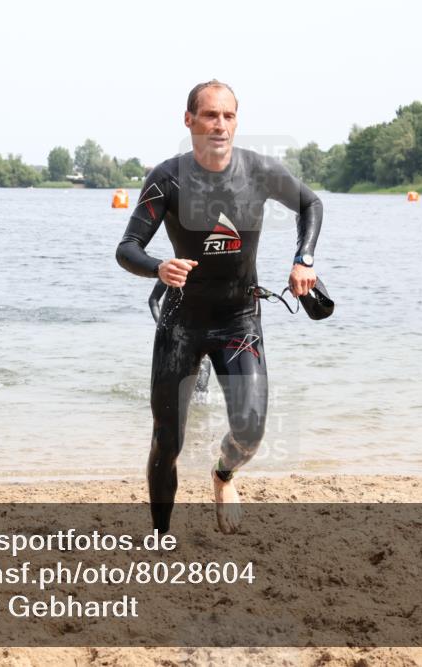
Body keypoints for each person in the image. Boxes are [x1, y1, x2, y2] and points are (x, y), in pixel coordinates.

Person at [116, 80, 322, 533]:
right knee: (166, 439)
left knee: (250, 431)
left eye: (228, 116)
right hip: (181, 322)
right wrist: (158, 268)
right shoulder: (167, 178)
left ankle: (223, 474)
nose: (220, 125)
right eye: (210, 115)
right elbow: (127, 248)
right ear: (189, 120)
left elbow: (310, 203)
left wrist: (303, 259)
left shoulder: (261, 171)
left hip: (239, 319)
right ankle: (161, 536)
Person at [149, 279, 212, 396]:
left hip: (201, 336)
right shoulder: (174, 270)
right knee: (172, 387)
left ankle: (199, 412)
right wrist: (160, 325)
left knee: (202, 389)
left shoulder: (209, 274)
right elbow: (153, 299)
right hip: (174, 336)